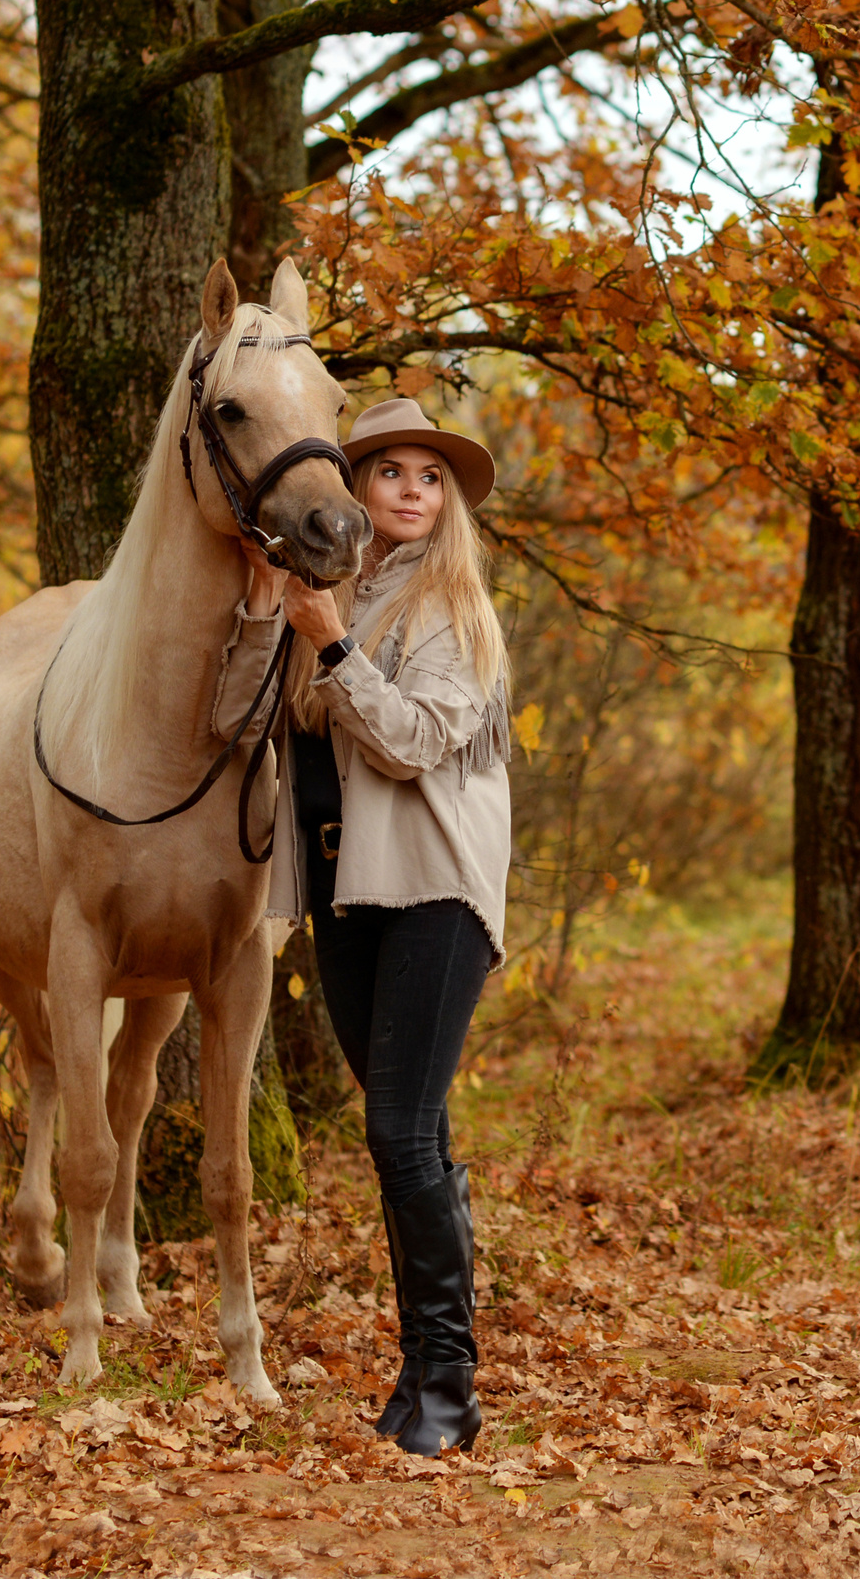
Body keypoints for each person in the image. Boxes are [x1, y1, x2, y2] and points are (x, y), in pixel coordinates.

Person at [253, 396, 511, 1456]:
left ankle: (446, 1385)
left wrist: (332, 645)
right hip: (345, 892)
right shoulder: (336, 597)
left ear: (445, 500)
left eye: (429, 474)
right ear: (356, 493)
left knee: (398, 1131)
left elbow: (410, 742)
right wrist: (284, 621)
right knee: (415, 1131)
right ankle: (426, 1373)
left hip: (435, 891)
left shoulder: (451, 610)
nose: (411, 488)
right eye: (390, 471)